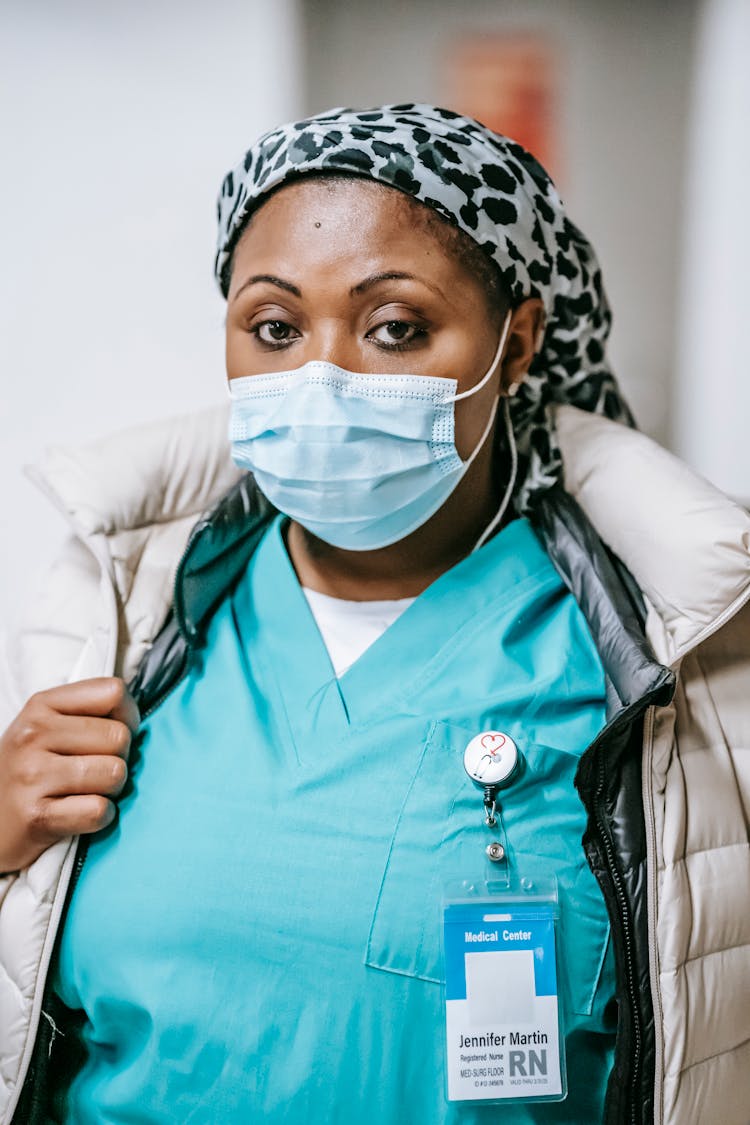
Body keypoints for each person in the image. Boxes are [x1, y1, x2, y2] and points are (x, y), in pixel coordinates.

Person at [0, 104, 748, 1125]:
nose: (322, 378)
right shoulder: (121, 618)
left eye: (395, 327)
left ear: (516, 344)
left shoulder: (664, 658)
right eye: (274, 328)